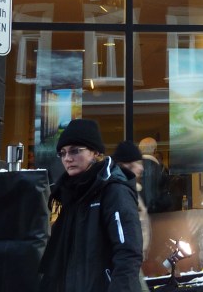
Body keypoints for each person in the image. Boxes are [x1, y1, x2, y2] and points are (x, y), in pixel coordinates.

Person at [38, 119, 143, 292]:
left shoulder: (114, 190)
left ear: (95, 153)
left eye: (75, 151)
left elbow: (128, 252)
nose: (67, 158)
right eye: (62, 153)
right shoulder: (68, 193)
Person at [113, 140, 151, 292]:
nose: (141, 168)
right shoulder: (121, 190)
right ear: (125, 165)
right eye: (138, 163)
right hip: (128, 260)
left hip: (132, 258)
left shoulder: (130, 187)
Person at [138, 137, 170, 213]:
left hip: (138, 211)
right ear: (155, 150)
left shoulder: (134, 167)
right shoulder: (161, 169)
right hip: (157, 212)